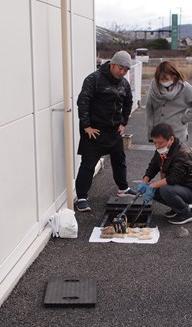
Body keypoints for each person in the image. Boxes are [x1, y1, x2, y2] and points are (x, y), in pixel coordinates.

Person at [74, 50, 137, 212]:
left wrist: (124, 122)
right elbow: (83, 102)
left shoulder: (124, 83)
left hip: (114, 130)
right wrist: (86, 125)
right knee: (88, 165)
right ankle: (81, 197)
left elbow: (129, 102)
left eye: (125, 70)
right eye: (120, 68)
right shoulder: (94, 79)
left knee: (119, 160)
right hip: (94, 130)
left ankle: (123, 188)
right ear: (113, 64)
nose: (122, 72)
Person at [137, 123, 192, 225]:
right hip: (178, 187)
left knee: (164, 189)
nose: (157, 146)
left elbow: (173, 179)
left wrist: (152, 185)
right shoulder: (162, 149)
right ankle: (177, 208)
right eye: (154, 143)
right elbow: (153, 166)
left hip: (190, 190)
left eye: (160, 143)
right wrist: (145, 181)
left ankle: (187, 213)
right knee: (153, 189)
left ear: (171, 139)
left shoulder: (183, 153)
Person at [146, 61, 192, 142]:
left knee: (178, 154)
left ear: (174, 77)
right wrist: (150, 134)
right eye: (161, 79)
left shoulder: (183, 87)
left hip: (177, 134)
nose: (164, 81)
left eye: (166, 79)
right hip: (159, 135)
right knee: (161, 154)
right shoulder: (154, 88)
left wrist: (185, 119)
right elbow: (149, 111)